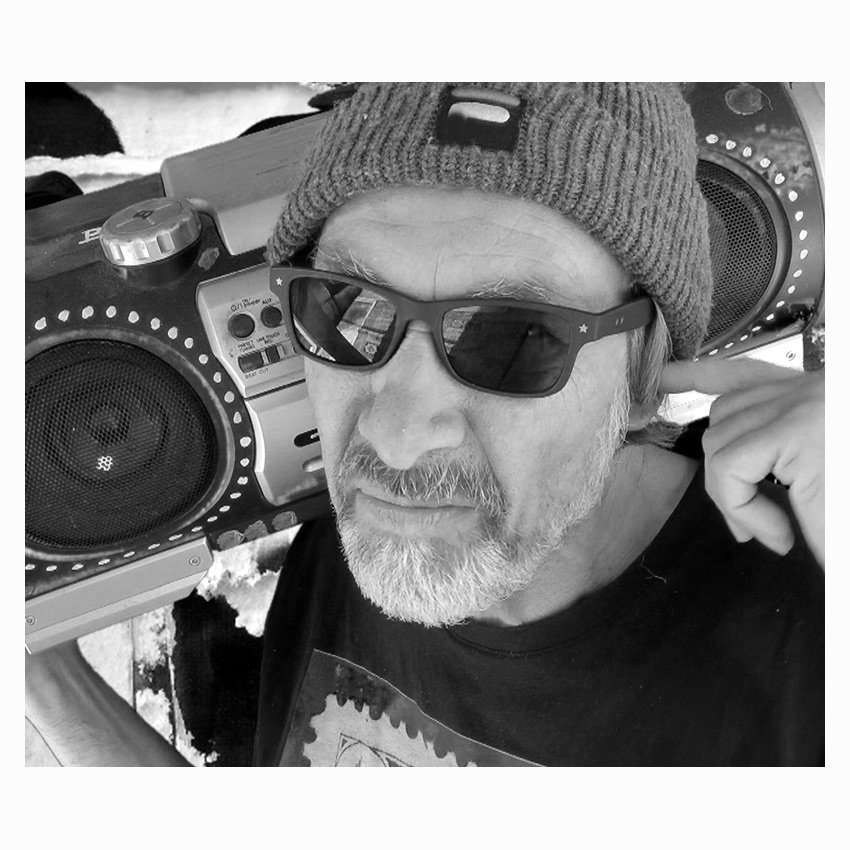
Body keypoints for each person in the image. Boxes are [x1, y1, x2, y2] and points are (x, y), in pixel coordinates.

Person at [25, 83, 824, 767]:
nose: (396, 438)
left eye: (516, 339)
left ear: (644, 378)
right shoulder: (366, 541)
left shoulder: (811, 648)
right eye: (345, 311)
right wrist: (37, 670)